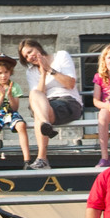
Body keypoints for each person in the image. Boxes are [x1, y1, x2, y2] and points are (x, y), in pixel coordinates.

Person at [18, 38, 83, 166]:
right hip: (46, 106)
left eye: (30, 52)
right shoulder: (31, 72)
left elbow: (70, 84)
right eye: (26, 56)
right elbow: (37, 95)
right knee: (35, 94)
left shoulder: (61, 56)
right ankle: (46, 124)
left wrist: (50, 70)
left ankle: (42, 159)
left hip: (68, 101)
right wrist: (42, 75)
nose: (30, 57)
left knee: (39, 116)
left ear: (37, 47)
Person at [0, 55, 33, 170]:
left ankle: (27, 160)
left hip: (10, 112)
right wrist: (1, 95)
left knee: (21, 125)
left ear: (10, 72)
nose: (3, 76)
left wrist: (10, 95)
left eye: (6, 72)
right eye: (0, 73)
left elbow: (15, 107)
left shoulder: (14, 86)